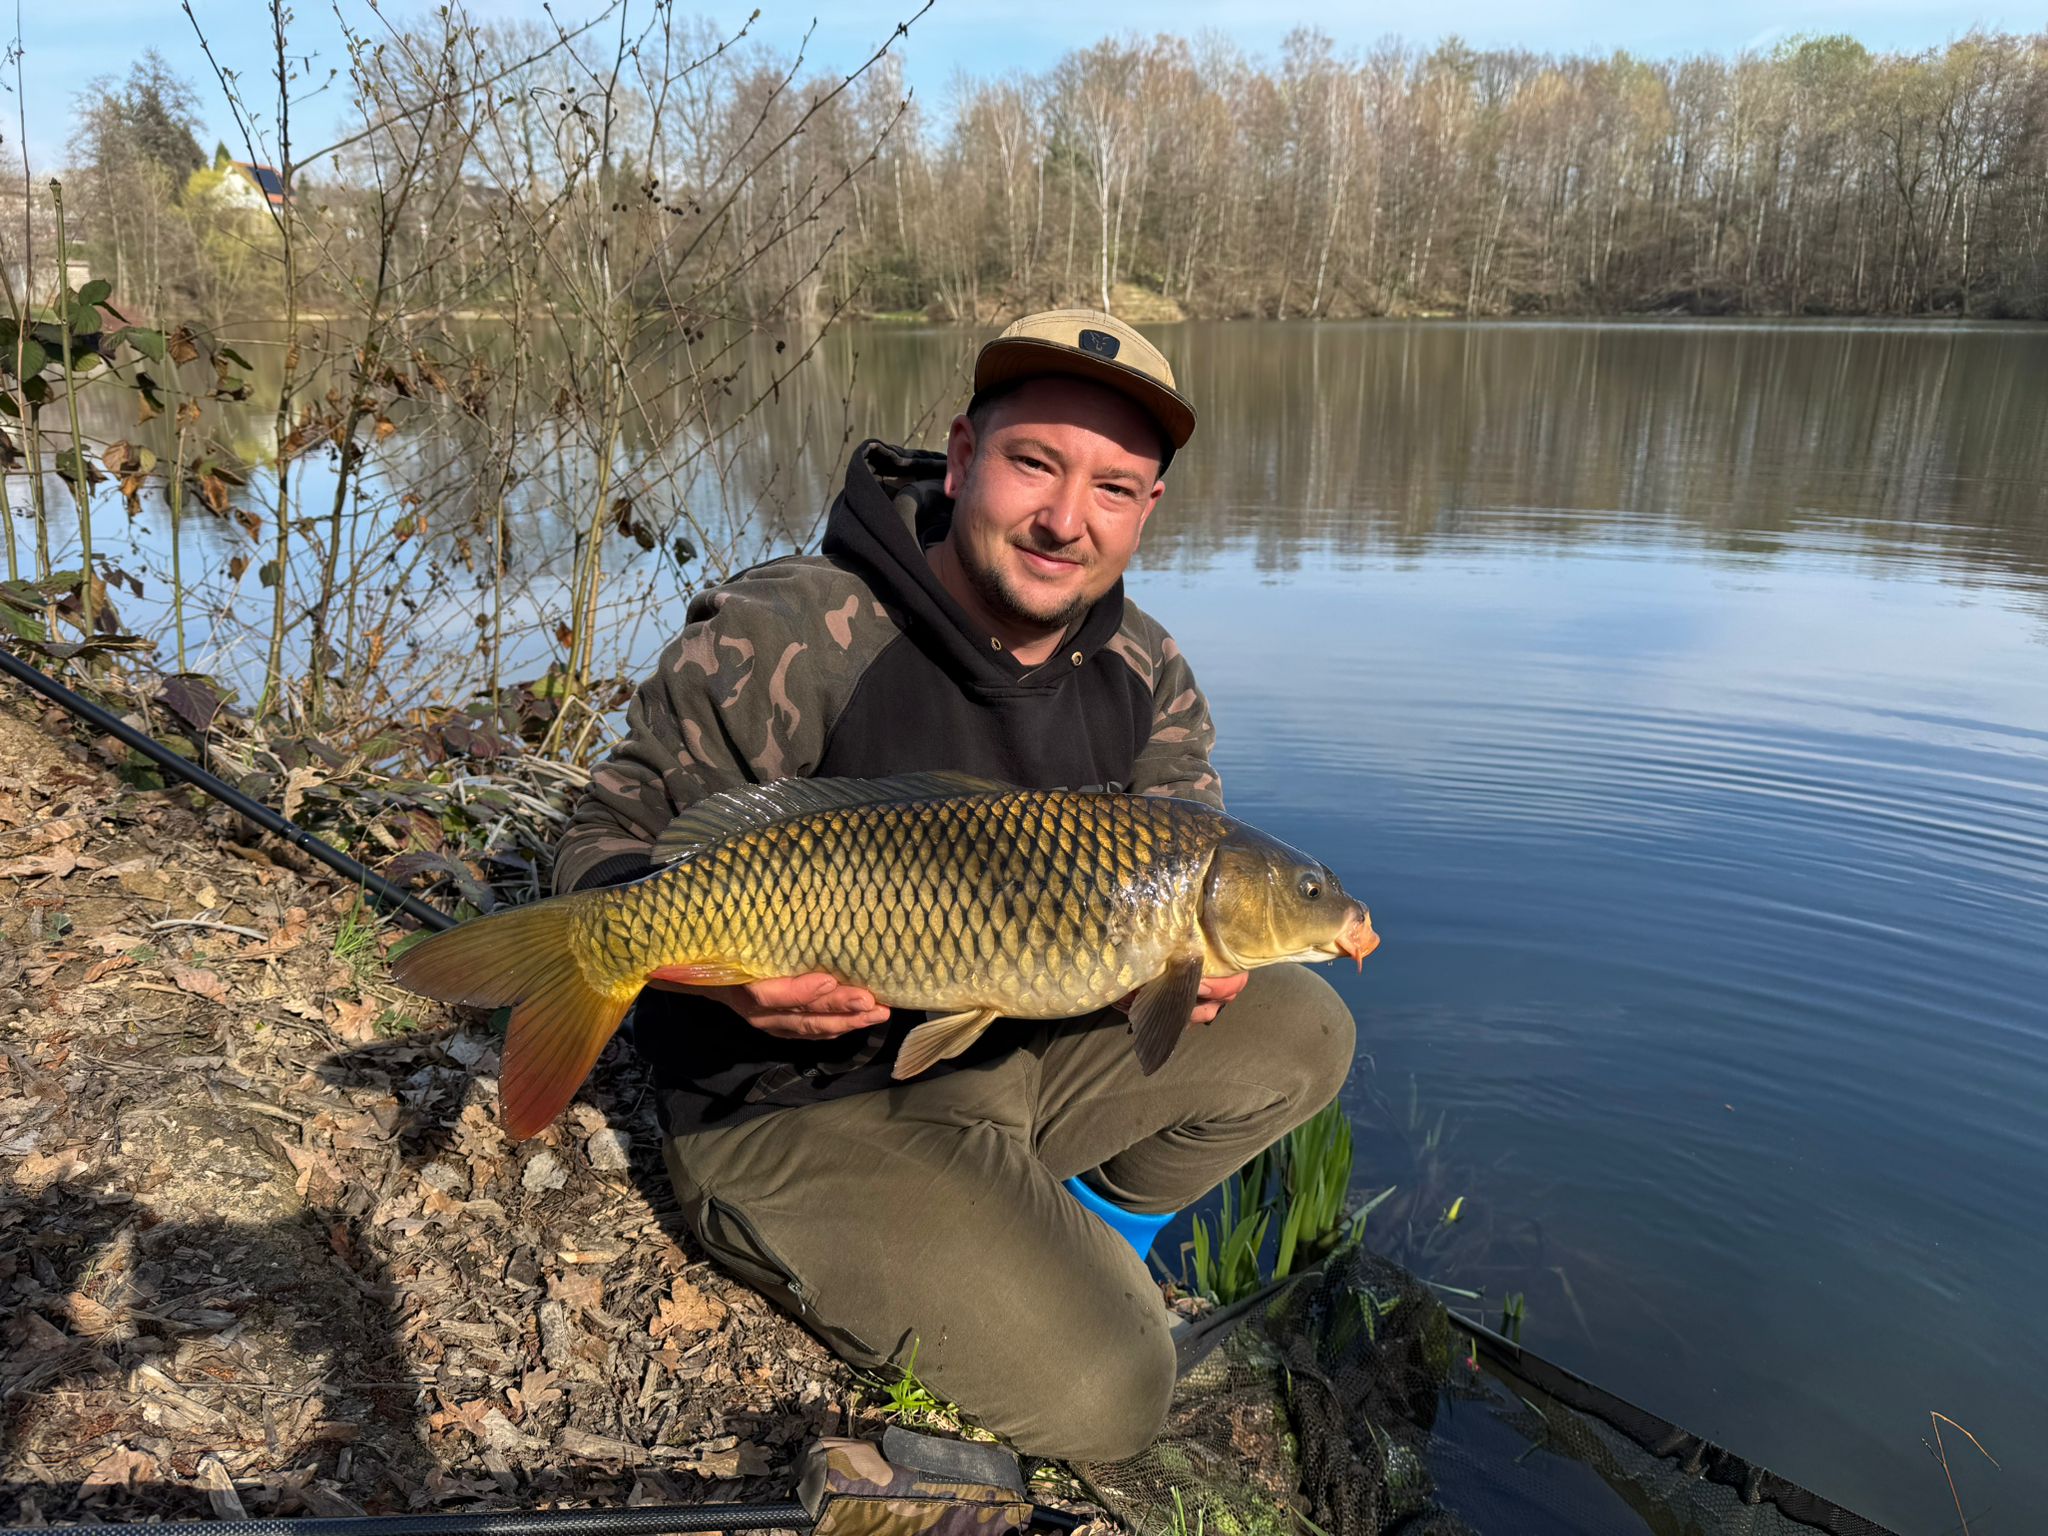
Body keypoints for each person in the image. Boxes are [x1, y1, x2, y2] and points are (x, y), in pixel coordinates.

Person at [554, 310, 1357, 1462]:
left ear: (1146, 509)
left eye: (1112, 488)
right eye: (1034, 463)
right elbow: (607, 836)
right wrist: (719, 982)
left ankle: (1074, 1229)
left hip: (1008, 1044)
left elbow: (1191, 847)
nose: (1065, 520)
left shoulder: (1145, 669)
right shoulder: (793, 628)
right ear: (964, 454)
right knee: (1116, 1394)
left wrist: (1199, 965)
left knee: (1303, 1027)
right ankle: (921, 1240)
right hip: (800, 1099)